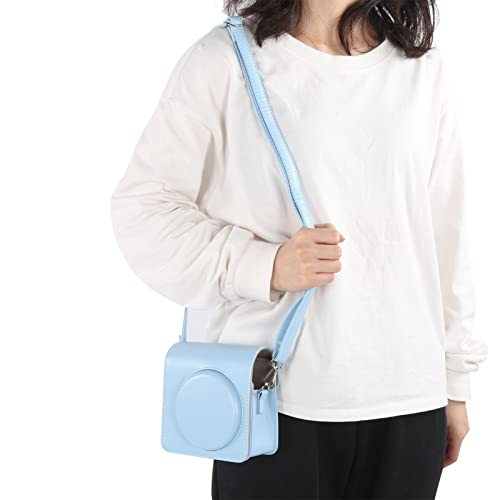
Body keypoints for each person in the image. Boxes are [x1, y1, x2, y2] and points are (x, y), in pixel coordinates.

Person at [110, 1, 488, 498]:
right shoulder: (225, 60)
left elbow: (445, 236)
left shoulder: (421, 70)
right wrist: (264, 266)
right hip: (276, 400)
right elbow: (144, 208)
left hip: (410, 401)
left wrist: (455, 382)